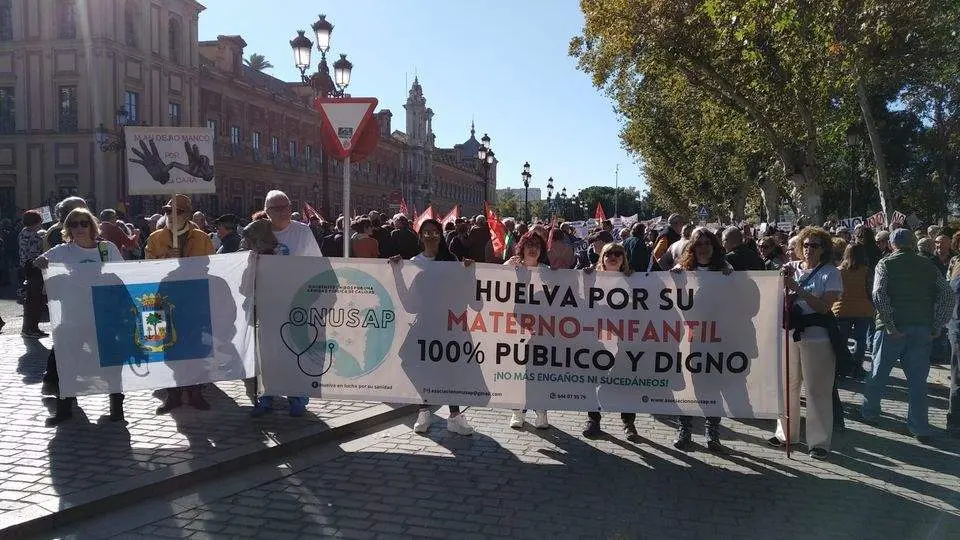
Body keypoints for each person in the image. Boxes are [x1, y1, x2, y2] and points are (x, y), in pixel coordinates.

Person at [33, 207, 125, 426]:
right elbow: (36, 264)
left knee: (111, 363)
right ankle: (64, 408)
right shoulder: (62, 251)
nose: (79, 228)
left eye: (84, 223)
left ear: (92, 226)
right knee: (68, 363)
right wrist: (40, 264)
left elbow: (123, 275)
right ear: (67, 228)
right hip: (72, 317)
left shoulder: (106, 249)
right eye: (73, 224)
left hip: (103, 317)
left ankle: (117, 409)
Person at [861, 229, 954, 444]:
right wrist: (938, 324)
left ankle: (870, 413)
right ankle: (919, 426)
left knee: (878, 374)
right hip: (921, 327)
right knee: (918, 381)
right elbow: (947, 294)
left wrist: (891, 325)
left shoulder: (885, 264)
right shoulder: (928, 265)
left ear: (892, 244)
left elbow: (879, 294)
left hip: (891, 329)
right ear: (913, 243)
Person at [391, 218, 475, 436]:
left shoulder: (450, 260)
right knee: (417, 366)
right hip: (425, 322)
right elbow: (409, 304)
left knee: (450, 370)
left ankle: (455, 416)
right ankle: (424, 410)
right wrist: (397, 273)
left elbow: (464, 292)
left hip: (449, 323)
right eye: (426, 232)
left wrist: (468, 272)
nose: (430, 235)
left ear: (441, 235)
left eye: (435, 232)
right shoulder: (414, 262)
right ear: (420, 236)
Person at [768, 227, 842, 459]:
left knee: (817, 389)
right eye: (806, 245)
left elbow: (824, 307)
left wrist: (797, 289)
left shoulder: (830, 273)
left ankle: (818, 442)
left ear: (823, 249)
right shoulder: (791, 269)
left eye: (815, 246)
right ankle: (785, 434)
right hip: (789, 333)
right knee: (787, 386)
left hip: (817, 336)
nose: (809, 249)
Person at [251, 190, 321, 417]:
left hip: (296, 302)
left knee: (295, 350)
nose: (283, 212)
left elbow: (315, 265)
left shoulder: (302, 232)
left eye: (286, 206)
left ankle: (297, 397)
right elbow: (247, 264)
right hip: (268, 302)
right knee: (267, 351)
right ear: (267, 211)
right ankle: (266, 396)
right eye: (277, 208)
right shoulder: (257, 232)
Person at [146, 194, 216, 414]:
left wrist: (186, 263)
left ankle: (195, 392)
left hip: (193, 299)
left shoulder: (202, 238)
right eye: (167, 211)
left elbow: (210, 266)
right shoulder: (156, 238)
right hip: (165, 298)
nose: (171, 215)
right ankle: (173, 394)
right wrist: (167, 258)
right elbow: (147, 267)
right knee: (168, 347)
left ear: (187, 214)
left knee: (196, 345)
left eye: (177, 211)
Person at [669, 228, 732, 452]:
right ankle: (684, 429)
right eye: (699, 243)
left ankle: (712, 431)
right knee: (689, 385)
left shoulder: (725, 270)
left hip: (715, 336)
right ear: (692, 248)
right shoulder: (683, 269)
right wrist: (675, 279)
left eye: (707, 243)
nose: (704, 247)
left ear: (714, 246)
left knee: (712, 384)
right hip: (689, 335)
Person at [581, 242, 637, 439]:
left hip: (623, 340)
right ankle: (593, 419)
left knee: (625, 381)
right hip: (597, 338)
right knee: (592, 379)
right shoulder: (591, 278)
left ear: (623, 259)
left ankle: (628, 422)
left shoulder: (634, 280)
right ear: (602, 258)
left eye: (618, 254)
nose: (613, 257)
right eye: (608, 254)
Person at [504, 231, 551, 429]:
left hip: (540, 330)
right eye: (529, 244)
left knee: (538, 371)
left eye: (537, 246)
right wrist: (507, 269)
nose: (533, 248)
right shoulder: (510, 267)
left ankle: (540, 410)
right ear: (521, 247)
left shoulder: (548, 271)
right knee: (517, 371)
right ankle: (517, 411)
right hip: (513, 328)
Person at [832, 243, 874, 380]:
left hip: (842, 309)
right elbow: (870, 291)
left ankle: (841, 367)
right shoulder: (867, 271)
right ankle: (856, 368)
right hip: (863, 310)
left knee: (842, 340)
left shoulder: (838, 271)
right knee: (861, 340)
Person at [18, 210, 47, 338]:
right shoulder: (36, 235)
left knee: (32, 298)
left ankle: (31, 327)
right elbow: (36, 253)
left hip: (26, 266)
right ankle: (30, 329)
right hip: (35, 267)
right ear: (37, 221)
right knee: (36, 299)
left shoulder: (23, 232)